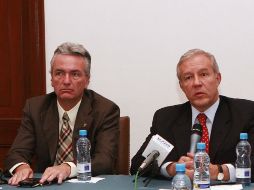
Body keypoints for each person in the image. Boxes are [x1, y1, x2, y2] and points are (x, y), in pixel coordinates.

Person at [4, 42, 120, 185]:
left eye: (75, 74)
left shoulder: (105, 110)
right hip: (47, 185)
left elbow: (105, 160)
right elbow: (16, 153)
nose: (66, 81)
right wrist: (22, 167)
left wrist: (68, 167)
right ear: (51, 79)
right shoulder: (35, 108)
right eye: (59, 73)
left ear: (87, 80)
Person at [130, 49, 254, 182]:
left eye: (203, 74)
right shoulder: (165, 118)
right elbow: (138, 165)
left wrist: (219, 172)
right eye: (188, 77)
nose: (196, 83)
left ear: (218, 79)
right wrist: (171, 168)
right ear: (181, 86)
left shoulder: (246, 113)